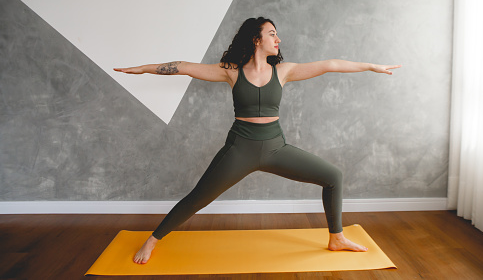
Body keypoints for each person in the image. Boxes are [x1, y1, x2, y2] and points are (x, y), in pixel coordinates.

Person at [114, 17, 401, 264]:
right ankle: (153, 240)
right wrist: (142, 68)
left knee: (333, 176)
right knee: (198, 198)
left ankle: (336, 238)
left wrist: (371, 66)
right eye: (272, 33)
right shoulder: (231, 70)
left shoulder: (284, 71)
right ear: (256, 39)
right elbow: (185, 67)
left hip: (276, 147)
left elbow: (330, 64)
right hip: (241, 148)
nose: (278, 38)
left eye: (277, 34)